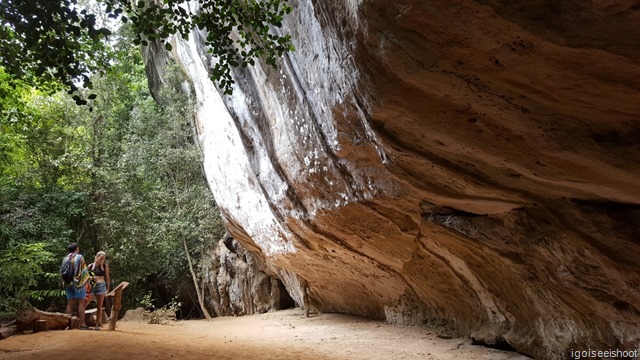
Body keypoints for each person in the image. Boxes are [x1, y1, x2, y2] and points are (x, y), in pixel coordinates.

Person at [62, 243, 90, 329]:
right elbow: (84, 270)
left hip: (68, 283)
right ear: (77, 249)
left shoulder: (65, 258)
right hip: (78, 283)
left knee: (70, 303)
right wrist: (87, 281)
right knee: (81, 302)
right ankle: (81, 324)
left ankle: (67, 323)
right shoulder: (79, 257)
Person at [86, 251, 110, 330]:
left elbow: (107, 277)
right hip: (92, 286)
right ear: (97, 257)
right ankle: (81, 321)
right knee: (86, 302)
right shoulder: (91, 266)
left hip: (101, 285)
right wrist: (90, 279)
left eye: (103, 258)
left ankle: (97, 324)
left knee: (99, 306)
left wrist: (107, 288)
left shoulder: (105, 266)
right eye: (101, 258)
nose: (102, 260)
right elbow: (85, 275)